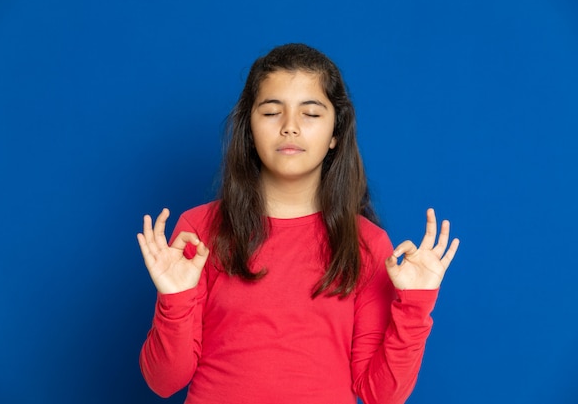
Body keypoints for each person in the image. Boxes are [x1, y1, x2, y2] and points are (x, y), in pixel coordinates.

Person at [137, 43, 460, 404]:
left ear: (335, 134)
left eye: (311, 114)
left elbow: (381, 395)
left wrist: (415, 306)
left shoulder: (367, 243)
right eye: (272, 112)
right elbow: (164, 381)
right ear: (249, 127)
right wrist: (174, 300)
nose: (290, 128)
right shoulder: (198, 230)